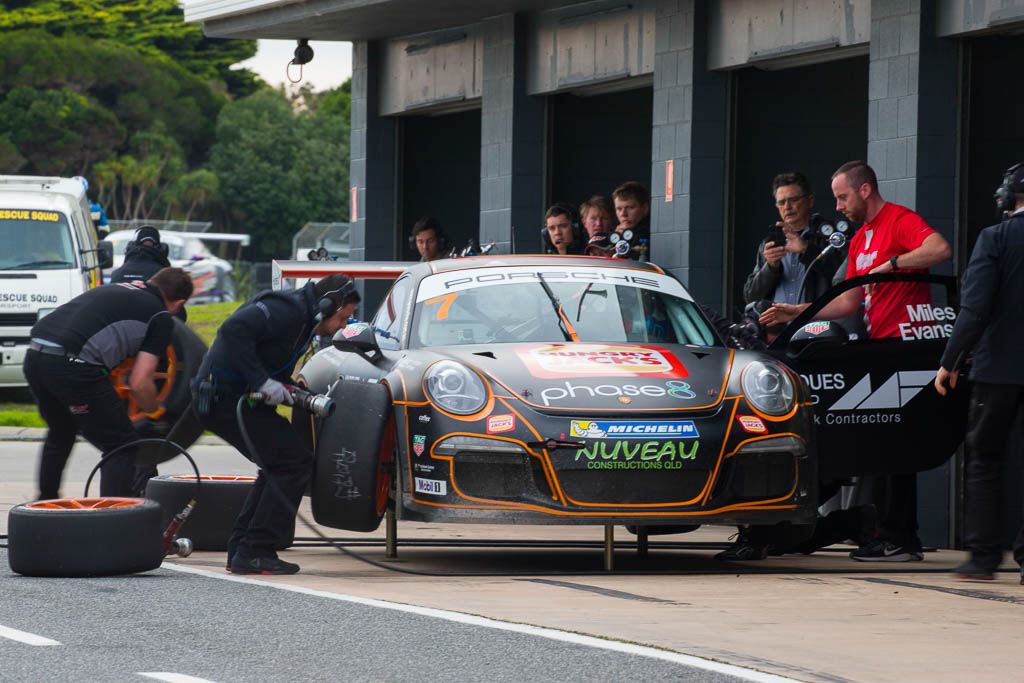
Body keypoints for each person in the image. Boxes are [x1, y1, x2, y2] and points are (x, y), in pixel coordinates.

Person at [761, 160, 952, 562]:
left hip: (906, 348)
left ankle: (901, 537)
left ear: (865, 190)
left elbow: (940, 248)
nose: (838, 206)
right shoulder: (861, 236)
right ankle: (889, 533)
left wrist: (895, 265)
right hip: (875, 349)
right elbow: (849, 299)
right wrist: (795, 312)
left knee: (899, 446)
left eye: (842, 196)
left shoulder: (898, 220)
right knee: (881, 446)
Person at [193, 273, 360, 575]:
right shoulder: (287, 309)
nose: (344, 326)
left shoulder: (303, 321)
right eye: (343, 318)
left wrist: (293, 392)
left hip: (233, 398)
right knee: (291, 462)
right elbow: (232, 330)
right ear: (327, 305)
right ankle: (255, 549)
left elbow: (268, 358)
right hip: (222, 398)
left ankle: (245, 549)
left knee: (281, 462)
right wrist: (261, 381)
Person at [23, 268, 193, 499]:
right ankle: (112, 518)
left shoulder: (116, 288)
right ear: (179, 303)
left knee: (61, 432)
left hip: (35, 355)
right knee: (122, 446)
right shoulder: (160, 316)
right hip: (72, 365)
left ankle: (43, 506)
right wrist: (155, 411)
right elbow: (140, 382)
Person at [934, 163, 1024, 583]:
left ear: (1008, 198)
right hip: (1001, 367)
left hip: (998, 371)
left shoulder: (995, 239)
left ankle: (983, 557)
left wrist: (950, 361)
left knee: (985, 458)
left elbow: (974, 309)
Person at [743, 172, 846, 310]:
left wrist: (806, 249)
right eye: (781, 202)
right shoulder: (770, 243)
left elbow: (844, 279)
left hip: (816, 327)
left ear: (810, 201)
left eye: (793, 200)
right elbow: (750, 296)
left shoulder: (829, 235)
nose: (787, 207)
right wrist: (771, 267)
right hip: (779, 329)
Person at [612, 181, 651, 259]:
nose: (623, 214)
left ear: (645, 208)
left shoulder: (652, 234)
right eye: (619, 209)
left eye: (630, 207)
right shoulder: (613, 235)